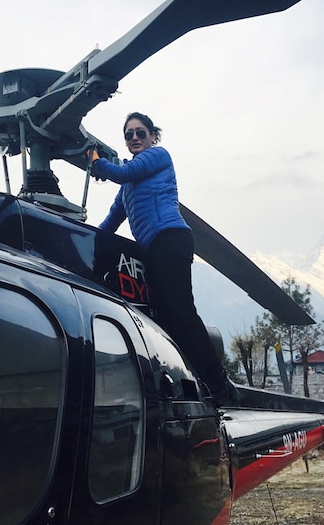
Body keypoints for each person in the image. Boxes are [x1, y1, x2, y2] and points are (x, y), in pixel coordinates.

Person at [91, 112, 237, 405]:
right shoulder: (127, 188)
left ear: (152, 136)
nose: (134, 138)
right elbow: (112, 219)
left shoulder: (157, 157)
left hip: (171, 240)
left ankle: (221, 388)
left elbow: (120, 172)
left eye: (140, 133)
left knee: (181, 314)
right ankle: (195, 383)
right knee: (165, 318)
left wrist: (96, 161)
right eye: (129, 134)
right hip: (154, 250)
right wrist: (89, 239)